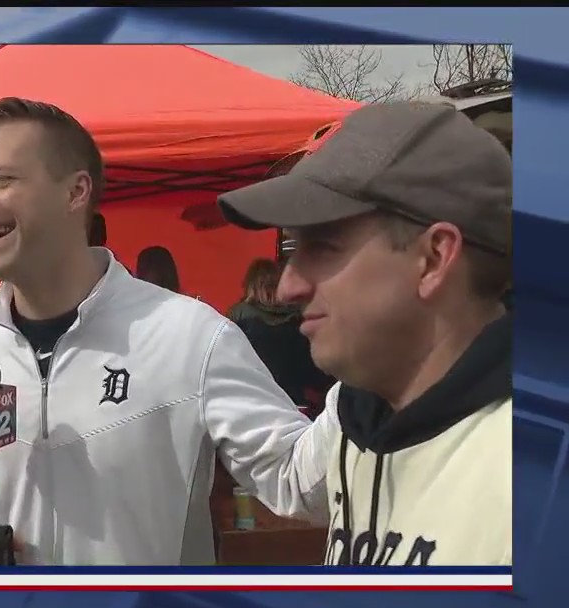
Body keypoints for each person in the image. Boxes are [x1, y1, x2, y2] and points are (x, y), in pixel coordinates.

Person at [0, 97, 334, 566]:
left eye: (2, 179)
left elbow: (300, 483)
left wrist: (376, 374)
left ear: (75, 192)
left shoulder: (192, 337)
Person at [218, 101, 512, 565]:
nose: (290, 285)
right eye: (293, 248)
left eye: (324, 245)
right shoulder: (354, 419)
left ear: (433, 259)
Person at [228, 258, 333, 411]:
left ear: (250, 285)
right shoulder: (302, 317)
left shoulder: (238, 315)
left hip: (252, 401)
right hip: (296, 403)